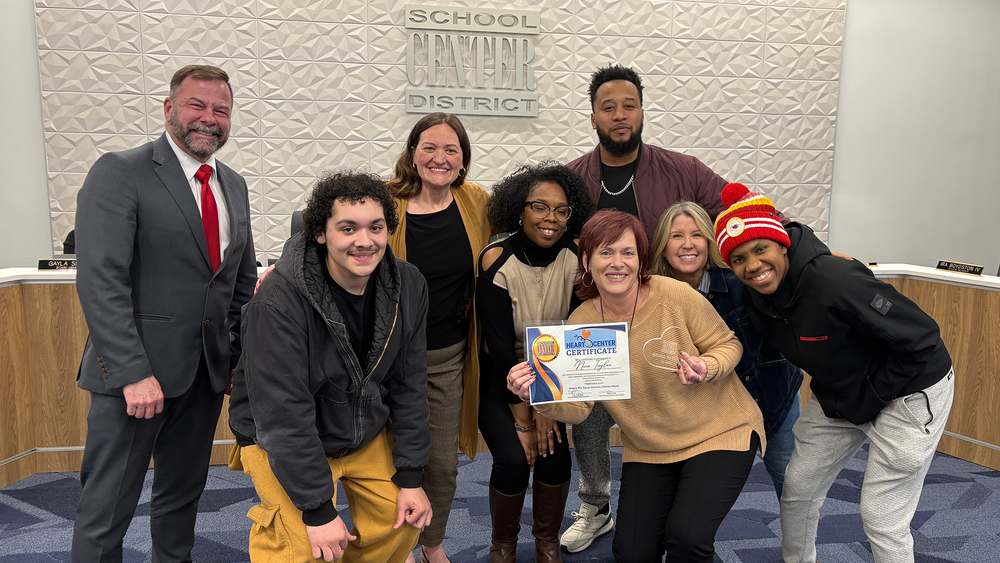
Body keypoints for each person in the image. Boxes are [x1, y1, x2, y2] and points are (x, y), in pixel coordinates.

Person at [72, 65, 257, 562]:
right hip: (134, 380)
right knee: (106, 509)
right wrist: (133, 373)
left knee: (181, 500)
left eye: (221, 109)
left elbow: (239, 284)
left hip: (204, 377)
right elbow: (101, 281)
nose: (209, 118)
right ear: (169, 108)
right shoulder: (121, 171)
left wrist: (235, 358)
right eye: (197, 105)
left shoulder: (233, 184)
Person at [714, 183, 954, 563]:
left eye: (760, 249)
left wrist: (872, 394)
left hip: (910, 389)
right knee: (798, 488)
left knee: (882, 517)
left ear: (782, 245)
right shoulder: (757, 301)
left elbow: (922, 337)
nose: (753, 265)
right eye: (739, 258)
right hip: (843, 393)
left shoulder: (834, 279)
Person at [508, 210, 765, 563]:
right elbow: (579, 410)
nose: (618, 263)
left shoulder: (673, 294)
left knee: (687, 539)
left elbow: (728, 344)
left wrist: (707, 367)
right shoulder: (581, 323)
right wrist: (538, 395)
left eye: (627, 252)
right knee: (631, 554)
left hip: (718, 432)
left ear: (641, 260)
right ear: (587, 261)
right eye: (606, 252)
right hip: (649, 446)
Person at [560, 64, 732, 553]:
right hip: (597, 318)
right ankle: (596, 506)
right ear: (593, 117)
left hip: (662, 315)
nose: (619, 115)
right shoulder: (573, 178)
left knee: (665, 406)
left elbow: (739, 209)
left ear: (641, 112)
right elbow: (542, 229)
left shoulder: (683, 170)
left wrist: (803, 245)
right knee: (590, 417)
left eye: (628, 106)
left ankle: (681, 494)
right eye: (608, 107)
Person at [228, 171, 433, 562]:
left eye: (375, 227)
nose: (364, 241)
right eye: (348, 228)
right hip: (280, 436)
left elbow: (410, 384)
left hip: (360, 428)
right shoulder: (276, 301)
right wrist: (319, 510)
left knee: (404, 520)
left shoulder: (408, 285)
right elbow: (282, 414)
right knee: (304, 547)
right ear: (320, 234)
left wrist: (410, 476)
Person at [386, 113, 491, 563]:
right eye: (429, 147)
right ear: (413, 153)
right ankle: (400, 547)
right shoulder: (384, 203)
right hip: (385, 360)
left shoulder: (477, 203)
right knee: (387, 464)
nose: (440, 158)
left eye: (452, 149)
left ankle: (431, 542)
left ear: (463, 160)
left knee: (443, 466)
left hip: (447, 357)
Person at [476, 163, 594, 563]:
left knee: (555, 456)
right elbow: (498, 348)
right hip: (502, 375)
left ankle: (546, 544)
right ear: (520, 210)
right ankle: (503, 546)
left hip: (556, 376)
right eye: (540, 207)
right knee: (514, 457)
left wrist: (546, 407)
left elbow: (575, 334)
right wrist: (525, 421)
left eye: (561, 210)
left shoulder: (578, 257)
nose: (551, 218)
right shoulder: (495, 258)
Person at [651, 201, 803, 498]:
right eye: (676, 236)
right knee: (702, 496)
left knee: (791, 484)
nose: (688, 244)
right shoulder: (653, 297)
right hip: (706, 414)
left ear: (709, 242)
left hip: (771, 397)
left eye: (696, 235)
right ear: (662, 246)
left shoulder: (742, 283)